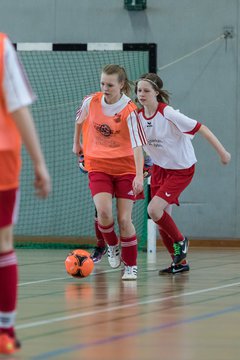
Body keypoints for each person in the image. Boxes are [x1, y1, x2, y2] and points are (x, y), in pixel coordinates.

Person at [134, 73, 231, 275]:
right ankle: (179, 263)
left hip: (181, 170)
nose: (141, 94)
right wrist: (143, 168)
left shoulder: (168, 113)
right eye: (138, 90)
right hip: (160, 169)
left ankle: (180, 240)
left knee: (153, 210)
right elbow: (142, 147)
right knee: (162, 221)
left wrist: (223, 153)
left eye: (146, 90)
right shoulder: (137, 118)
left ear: (156, 93)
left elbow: (201, 128)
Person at [0, 33, 51, 354]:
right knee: (3, 243)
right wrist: (39, 162)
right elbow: (18, 108)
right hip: (2, 157)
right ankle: (5, 330)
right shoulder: (1, 46)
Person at [73, 64, 147, 280]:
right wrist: (76, 143)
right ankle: (112, 246)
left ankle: (131, 266)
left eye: (110, 84)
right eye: (102, 83)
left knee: (124, 220)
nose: (105, 88)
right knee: (103, 212)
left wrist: (140, 176)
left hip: (126, 168)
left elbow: (137, 146)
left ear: (122, 85)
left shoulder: (130, 111)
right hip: (98, 165)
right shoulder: (91, 101)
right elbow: (79, 121)